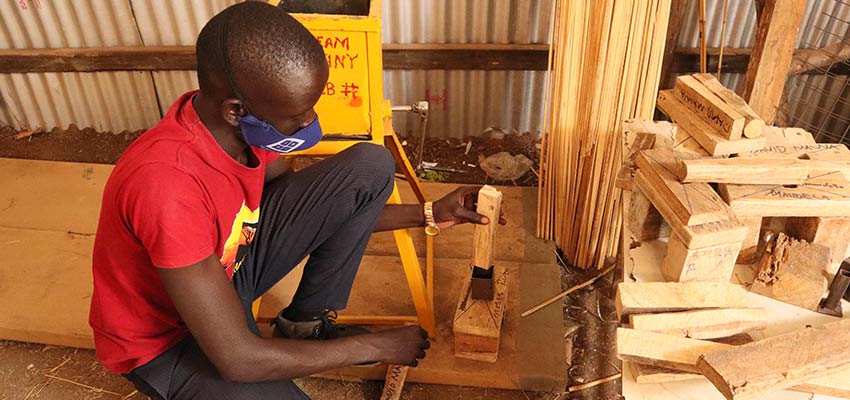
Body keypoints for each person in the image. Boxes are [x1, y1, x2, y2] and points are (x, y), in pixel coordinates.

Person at [88, 3, 503, 399]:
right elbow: (238, 360)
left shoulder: (244, 132)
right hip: (169, 342)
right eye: (297, 115)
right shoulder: (167, 187)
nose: (309, 123)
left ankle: (304, 327)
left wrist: (431, 212)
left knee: (370, 165)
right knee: (248, 363)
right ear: (236, 110)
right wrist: (371, 346)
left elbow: (325, 216)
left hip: (231, 273)